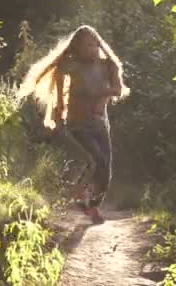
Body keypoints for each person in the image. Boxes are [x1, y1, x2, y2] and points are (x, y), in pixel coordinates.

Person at [18, 25, 130, 224]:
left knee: (106, 168)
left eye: (94, 43)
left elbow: (118, 89)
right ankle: (85, 200)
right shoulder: (69, 65)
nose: (92, 48)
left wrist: (102, 96)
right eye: (87, 45)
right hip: (77, 123)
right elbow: (60, 94)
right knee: (96, 159)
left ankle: (90, 202)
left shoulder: (107, 65)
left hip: (100, 123)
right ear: (77, 47)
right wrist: (59, 116)